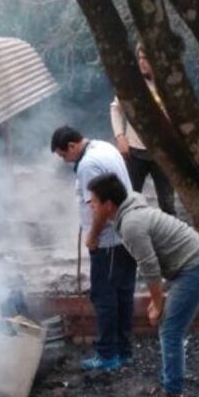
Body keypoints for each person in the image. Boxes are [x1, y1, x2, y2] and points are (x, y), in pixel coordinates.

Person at [87, 172, 199, 397]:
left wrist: (158, 304)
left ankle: (173, 393)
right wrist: (156, 299)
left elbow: (149, 267)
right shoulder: (129, 212)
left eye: (94, 202)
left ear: (108, 205)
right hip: (190, 264)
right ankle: (172, 386)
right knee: (169, 325)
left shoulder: (131, 225)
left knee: (169, 329)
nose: (91, 206)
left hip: (196, 268)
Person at [51, 126, 137, 371]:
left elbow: (100, 208)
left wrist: (92, 236)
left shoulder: (88, 164)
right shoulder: (105, 146)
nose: (64, 161)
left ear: (72, 146)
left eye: (62, 155)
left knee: (105, 298)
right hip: (126, 235)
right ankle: (124, 351)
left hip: (109, 241)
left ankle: (108, 355)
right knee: (122, 296)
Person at [110, 43, 176, 215]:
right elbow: (115, 108)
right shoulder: (133, 84)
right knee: (130, 199)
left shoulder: (171, 85)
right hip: (134, 152)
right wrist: (119, 136)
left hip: (164, 153)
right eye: (139, 58)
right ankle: (130, 236)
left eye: (146, 58)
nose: (142, 62)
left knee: (167, 203)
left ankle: (169, 238)